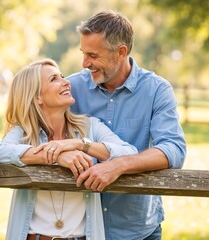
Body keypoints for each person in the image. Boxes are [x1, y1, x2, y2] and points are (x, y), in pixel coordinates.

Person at [66, 10, 187, 239]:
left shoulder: (156, 90)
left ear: (120, 52)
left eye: (92, 55)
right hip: (80, 228)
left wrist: (118, 165)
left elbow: (174, 149)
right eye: (83, 53)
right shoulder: (70, 88)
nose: (85, 63)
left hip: (137, 228)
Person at [0, 58, 137, 240]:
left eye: (62, 76)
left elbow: (129, 152)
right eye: (54, 79)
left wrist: (81, 145)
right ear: (37, 96)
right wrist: (56, 156)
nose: (66, 81)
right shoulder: (23, 132)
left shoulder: (90, 127)